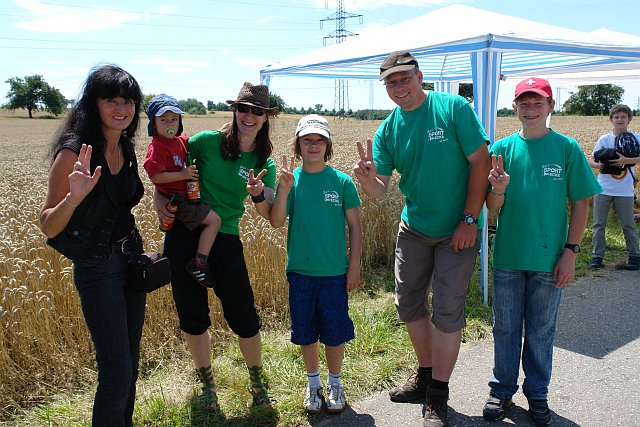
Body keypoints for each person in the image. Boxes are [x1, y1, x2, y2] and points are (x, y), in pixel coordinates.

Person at [354, 50, 491, 427]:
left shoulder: (453, 109)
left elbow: (481, 162)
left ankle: (438, 396)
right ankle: (426, 374)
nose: (399, 87)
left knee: (447, 310)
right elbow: (380, 189)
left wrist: (469, 219)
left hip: (457, 228)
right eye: (391, 82)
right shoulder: (388, 130)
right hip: (414, 227)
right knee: (409, 304)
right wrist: (367, 180)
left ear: (420, 76)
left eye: (404, 78)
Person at [483, 77, 601, 426]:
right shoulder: (502, 150)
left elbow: (582, 202)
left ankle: (537, 393)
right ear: (514, 107)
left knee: (540, 330)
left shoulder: (566, 148)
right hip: (509, 256)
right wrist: (498, 189)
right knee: (505, 328)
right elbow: (492, 209)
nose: (530, 109)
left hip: (550, 258)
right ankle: (502, 389)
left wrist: (571, 253)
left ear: (551, 106)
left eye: (538, 102)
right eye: (524, 102)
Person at [154, 82, 277, 410]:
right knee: (192, 315)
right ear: (235, 111)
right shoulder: (205, 141)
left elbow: (268, 212)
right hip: (183, 233)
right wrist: (158, 201)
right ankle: (207, 385)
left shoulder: (264, 162)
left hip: (225, 238)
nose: (249, 116)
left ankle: (257, 384)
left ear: (266, 117)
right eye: (243, 108)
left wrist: (257, 194)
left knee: (244, 315)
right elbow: (166, 171)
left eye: (257, 111)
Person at [39, 64, 145, 427]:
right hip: (98, 267)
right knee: (116, 368)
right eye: (111, 100)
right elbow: (48, 225)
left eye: (128, 101)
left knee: (130, 362)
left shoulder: (125, 146)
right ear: (93, 103)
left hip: (131, 257)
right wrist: (74, 198)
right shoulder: (73, 152)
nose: (122, 108)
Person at [270, 114, 362, 414]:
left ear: (328, 145)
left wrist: (354, 265)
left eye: (319, 140)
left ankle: (335, 382)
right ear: (297, 145)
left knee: (334, 332)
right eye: (307, 140)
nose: (313, 145)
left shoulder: (342, 182)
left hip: (334, 273)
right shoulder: (291, 181)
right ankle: (313, 384)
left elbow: (355, 226)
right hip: (301, 274)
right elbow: (276, 220)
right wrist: (284, 190)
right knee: (306, 332)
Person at [143, 94, 222, 288]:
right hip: (179, 201)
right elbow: (155, 177)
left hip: (187, 196)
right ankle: (199, 263)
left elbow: (198, 141)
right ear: (153, 123)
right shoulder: (158, 146)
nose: (170, 123)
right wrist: (183, 174)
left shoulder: (179, 140)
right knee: (214, 221)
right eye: (163, 119)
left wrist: (220, 133)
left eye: (174, 118)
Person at [588, 104, 640, 270]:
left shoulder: (636, 138)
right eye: (616, 117)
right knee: (599, 224)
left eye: (623, 117)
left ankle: (634, 257)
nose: (619, 120)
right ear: (611, 120)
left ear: (629, 119)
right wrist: (600, 166)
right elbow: (591, 160)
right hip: (603, 187)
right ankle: (597, 257)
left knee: (628, 224)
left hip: (624, 189)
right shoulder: (604, 139)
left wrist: (626, 161)